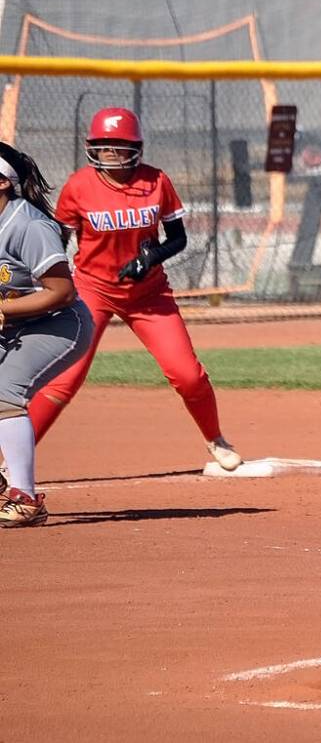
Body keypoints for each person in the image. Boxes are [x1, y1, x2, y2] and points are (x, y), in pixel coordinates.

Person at [25, 107, 242, 471]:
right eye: (105, 145)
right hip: (91, 290)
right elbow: (57, 242)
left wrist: (151, 257)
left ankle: (215, 438)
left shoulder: (156, 181)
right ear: (92, 147)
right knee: (66, 378)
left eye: (120, 145)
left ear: (136, 148)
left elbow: (178, 238)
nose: (112, 152)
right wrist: (46, 282)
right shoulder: (78, 186)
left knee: (188, 374)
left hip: (149, 294)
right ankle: (10, 464)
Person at [0, 142, 94, 527]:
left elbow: (62, 292)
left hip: (59, 324)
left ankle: (25, 497)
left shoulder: (27, 225)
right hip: (16, 323)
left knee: (4, 391)